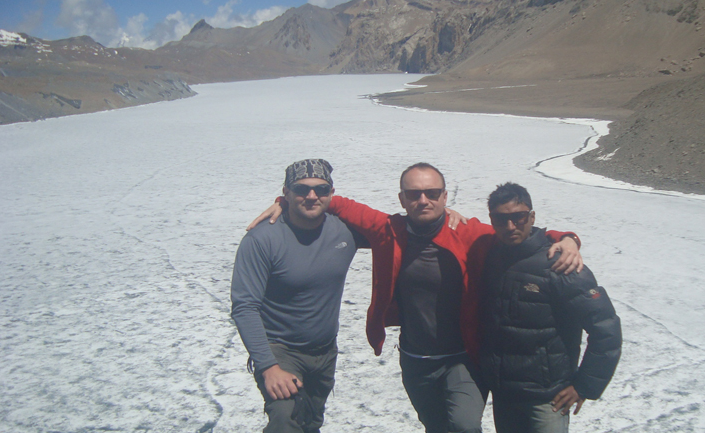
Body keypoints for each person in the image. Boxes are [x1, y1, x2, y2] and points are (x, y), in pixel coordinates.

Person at [249, 163, 584, 433]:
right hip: (415, 359)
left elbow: (521, 234)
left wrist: (567, 238)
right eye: (414, 194)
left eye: (432, 193)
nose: (423, 200)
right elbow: (336, 203)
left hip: (462, 357)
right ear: (402, 198)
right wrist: (285, 201)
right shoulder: (388, 229)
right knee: (435, 426)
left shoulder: (466, 232)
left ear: (444, 196)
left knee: (465, 425)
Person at [231, 159, 368, 433]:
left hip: (324, 351)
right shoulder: (262, 240)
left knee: (310, 422)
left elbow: (397, 232)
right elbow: (244, 306)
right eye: (301, 189)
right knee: (286, 419)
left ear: (332, 192)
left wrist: (444, 215)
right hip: (280, 350)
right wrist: (269, 367)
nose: (312, 196)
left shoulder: (344, 230)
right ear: (286, 192)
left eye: (321, 189)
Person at [480, 183, 622, 433]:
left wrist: (584, 386)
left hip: (549, 398)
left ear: (532, 217)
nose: (510, 226)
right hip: (505, 394)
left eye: (518, 217)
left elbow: (606, 329)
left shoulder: (560, 264)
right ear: (492, 220)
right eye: (501, 219)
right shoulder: (491, 257)